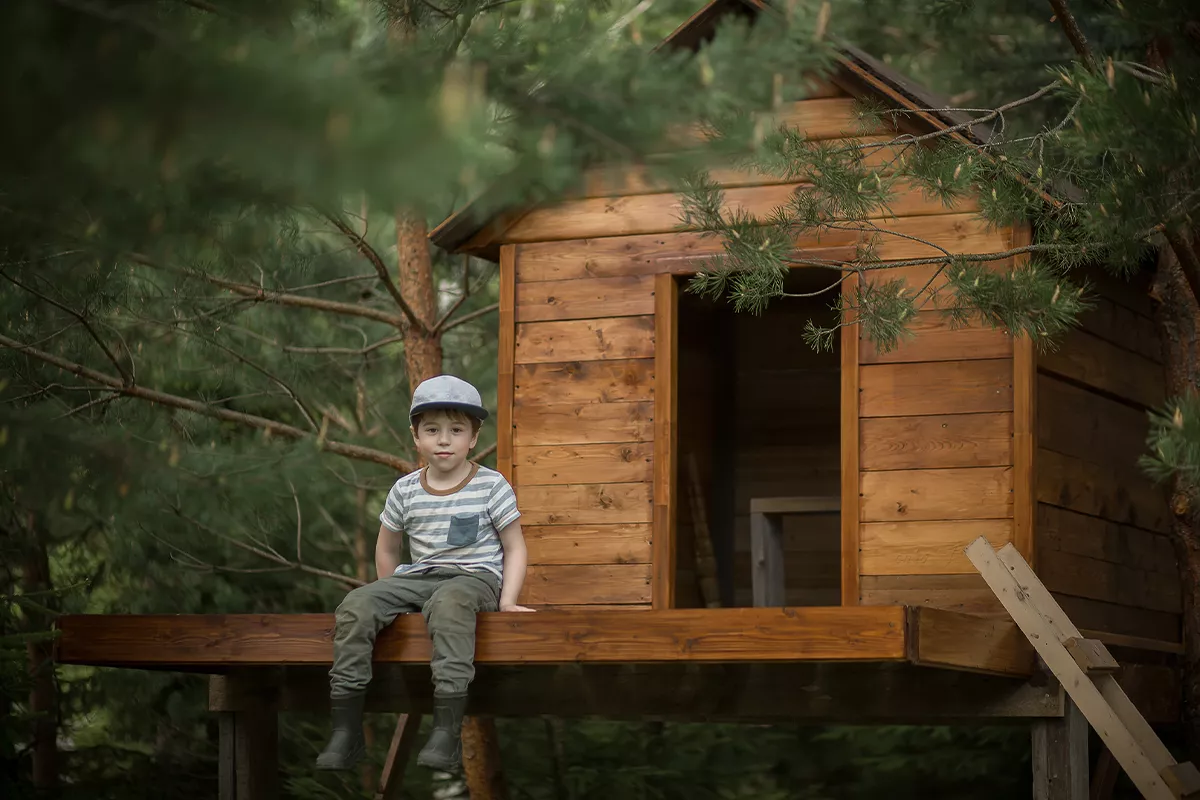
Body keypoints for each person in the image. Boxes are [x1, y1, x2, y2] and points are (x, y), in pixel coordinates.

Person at [316, 374, 534, 773]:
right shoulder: (405, 490)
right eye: (432, 430)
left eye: (456, 430)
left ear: (473, 437)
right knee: (356, 603)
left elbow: (515, 546)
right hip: (418, 578)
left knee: (449, 603)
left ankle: (446, 734)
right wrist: (388, 598)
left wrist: (508, 601)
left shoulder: (491, 485)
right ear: (417, 437)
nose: (445, 440)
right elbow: (387, 546)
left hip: (474, 580)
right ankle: (345, 732)